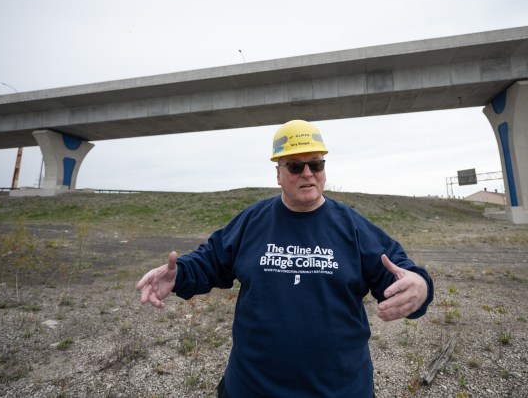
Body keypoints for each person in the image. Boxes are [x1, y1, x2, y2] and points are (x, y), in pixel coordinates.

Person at [136, 119, 434, 398]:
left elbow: (398, 272)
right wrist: (180, 274)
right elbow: (212, 259)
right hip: (252, 387)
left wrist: (419, 287)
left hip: (339, 388)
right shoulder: (253, 221)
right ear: (278, 173)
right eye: (295, 166)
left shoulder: (353, 226)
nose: (307, 173)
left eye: (316, 164)